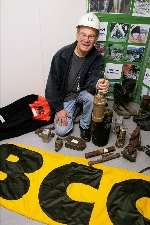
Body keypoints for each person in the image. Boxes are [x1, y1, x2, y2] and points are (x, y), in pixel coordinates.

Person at [45, 12, 109, 141]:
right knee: (61, 131)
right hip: (66, 96)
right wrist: (59, 109)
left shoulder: (97, 58)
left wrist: (99, 83)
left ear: (96, 38)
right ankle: (75, 110)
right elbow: (51, 86)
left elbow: (94, 79)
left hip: (82, 92)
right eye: (83, 35)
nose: (86, 40)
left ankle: (84, 125)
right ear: (77, 34)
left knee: (91, 98)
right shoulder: (61, 55)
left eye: (91, 36)